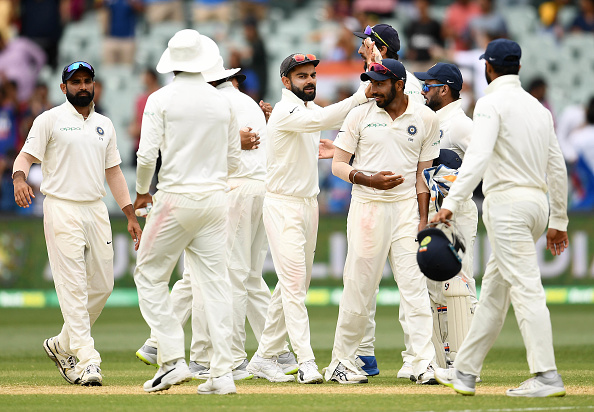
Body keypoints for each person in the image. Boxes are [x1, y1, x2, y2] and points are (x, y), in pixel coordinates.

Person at [134, 58, 299, 381]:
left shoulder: (212, 103)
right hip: (260, 189)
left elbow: (186, 151)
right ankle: (275, 351)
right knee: (244, 276)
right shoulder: (246, 102)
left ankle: (210, 357)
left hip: (221, 190)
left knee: (214, 276)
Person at [432, 39, 569, 398]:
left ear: (489, 68)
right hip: (537, 206)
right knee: (493, 294)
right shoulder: (538, 108)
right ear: (519, 68)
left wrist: (452, 202)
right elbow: (556, 165)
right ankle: (464, 372)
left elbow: (477, 157)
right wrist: (559, 220)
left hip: (508, 205)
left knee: (526, 289)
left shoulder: (490, 104)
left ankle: (547, 375)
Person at [12, 61, 142, 386]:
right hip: (62, 207)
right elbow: (25, 157)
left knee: (103, 286)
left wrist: (128, 214)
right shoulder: (50, 120)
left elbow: (113, 172)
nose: (82, 87)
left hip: (96, 209)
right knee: (73, 287)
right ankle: (87, 360)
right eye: (76, 82)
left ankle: (62, 344)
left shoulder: (105, 125)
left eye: (87, 81)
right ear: (63, 88)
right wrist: (18, 179)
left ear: (94, 85)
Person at [246, 53, 370, 384]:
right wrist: (361, 93)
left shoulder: (305, 109)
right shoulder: (286, 110)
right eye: (301, 76)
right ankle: (306, 361)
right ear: (286, 81)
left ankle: (262, 357)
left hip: (308, 204)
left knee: (294, 285)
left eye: (313, 74)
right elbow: (330, 115)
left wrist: (370, 72)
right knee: (293, 284)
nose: (310, 80)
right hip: (282, 204)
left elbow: (330, 117)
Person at [133, 29, 241, 395]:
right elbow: (233, 159)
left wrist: (141, 193)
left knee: (148, 274)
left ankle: (172, 360)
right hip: (215, 201)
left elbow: (147, 156)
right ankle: (223, 374)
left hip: (176, 198)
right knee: (215, 285)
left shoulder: (160, 99)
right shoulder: (222, 102)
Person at [324, 59, 439, 384]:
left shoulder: (425, 118)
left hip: (406, 210)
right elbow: (338, 165)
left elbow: (423, 176)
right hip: (367, 207)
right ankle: (341, 362)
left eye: (379, 84)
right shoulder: (359, 114)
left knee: (415, 288)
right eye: (370, 83)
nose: (372, 89)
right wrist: (368, 179)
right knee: (359, 288)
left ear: (399, 85)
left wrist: (423, 219)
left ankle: (422, 363)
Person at [351, 22, 424, 379]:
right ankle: (364, 353)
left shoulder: (408, 86)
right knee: (364, 281)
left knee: (410, 282)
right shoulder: (370, 84)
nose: (360, 48)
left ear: (376, 45)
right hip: (369, 197)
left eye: (365, 44)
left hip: (406, 200)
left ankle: (419, 358)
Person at [413, 62, 478, 369]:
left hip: (458, 212)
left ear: (444, 89)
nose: (424, 90)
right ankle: (447, 360)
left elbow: (483, 161)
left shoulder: (460, 124)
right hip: (436, 213)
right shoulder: (433, 120)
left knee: (460, 286)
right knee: (436, 289)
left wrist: (456, 180)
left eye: (429, 86)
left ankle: (467, 363)